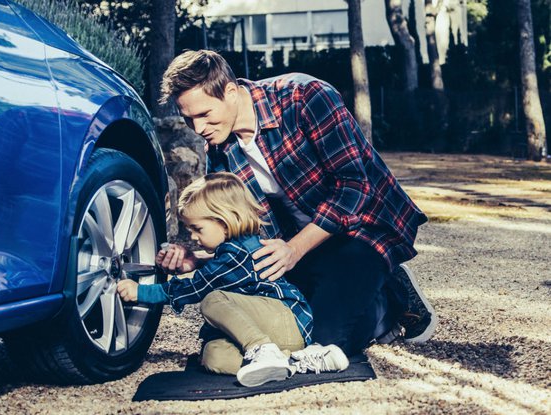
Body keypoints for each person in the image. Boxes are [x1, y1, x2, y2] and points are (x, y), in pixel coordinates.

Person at [157, 50, 436, 359]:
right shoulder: (221, 151)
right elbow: (237, 231)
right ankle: (353, 286)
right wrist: (196, 259)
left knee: (326, 342)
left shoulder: (306, 97)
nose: (198, 129)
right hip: (300, 244)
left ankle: (392, 296)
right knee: (290, 320)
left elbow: (355, 186)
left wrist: (294, 250)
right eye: (189, 119)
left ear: (231, 92)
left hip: (365, 229)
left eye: (205, 114)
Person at [117, 172, 349, 387]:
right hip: (273, 329)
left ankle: (262, 348)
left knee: (212, 299)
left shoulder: (237, 254)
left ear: (224, 221)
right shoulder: (229, 255)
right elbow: (215, 275)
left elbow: (193, 288)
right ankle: (295, 362)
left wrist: (141, 292)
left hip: (286, 321)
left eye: (197, 228)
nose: (193, 237)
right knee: (213, 355)